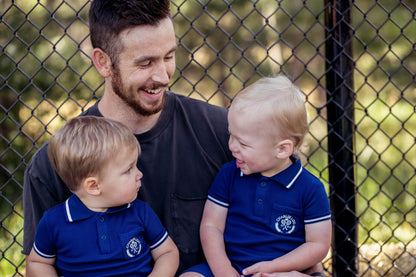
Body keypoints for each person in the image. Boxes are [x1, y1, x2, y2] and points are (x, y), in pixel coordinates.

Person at [22, 0, 326, 276]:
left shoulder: (225, 135)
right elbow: (40, 264)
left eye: (169, 56)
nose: (164, 75)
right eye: (145, 63)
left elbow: (303, 252)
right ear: (103, 63)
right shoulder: (56, 163)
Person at [181, 76, 332, 277]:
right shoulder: (229, 174)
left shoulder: (310, 189)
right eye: (230, 135)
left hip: (282, 270)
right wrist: (223, 269)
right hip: (232, 265)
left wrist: (275, 267)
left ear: (282, 149)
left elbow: (318, 245)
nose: (232, 146)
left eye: (243, 143)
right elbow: (211, 225)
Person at [26, 116, 179, 276]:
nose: (139, 174)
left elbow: (167, 253)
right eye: (129, 170)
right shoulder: (54, 222)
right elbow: (38, 262)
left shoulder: (140, 212)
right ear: (94, 186)